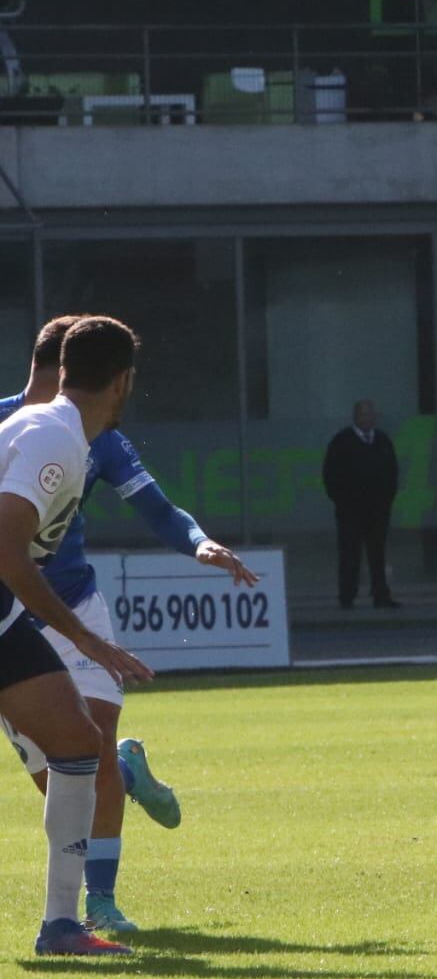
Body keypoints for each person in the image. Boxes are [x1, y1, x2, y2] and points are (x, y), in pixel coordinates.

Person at [0, 315, 258, 933]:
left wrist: (197, 543)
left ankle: (90, 911)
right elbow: (7, 548)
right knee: (64, 765)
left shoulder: (91, 440)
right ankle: (68, 915)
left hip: (56, 603)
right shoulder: (42, 431)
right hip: (21, 603)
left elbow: (158, 508)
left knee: (80, 747)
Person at [0, 315, 155, 956]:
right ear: (123, 382)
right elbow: (8, 550)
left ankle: (62, 927)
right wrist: (86, 640)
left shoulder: (56, 434)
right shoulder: (53, 438)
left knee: (75, 739)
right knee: (74, 741)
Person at [323, 400, 399, 610]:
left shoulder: (382, 441)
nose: (367, 418)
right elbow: (330, 475)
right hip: (350, 511)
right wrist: (343, 501)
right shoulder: (342, 442)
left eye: (370, 414)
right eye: (362, 414)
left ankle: (380, 595)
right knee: (350, 554)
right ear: (355, 417)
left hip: (378, 511)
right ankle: (347, 597)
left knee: (377, 553)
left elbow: (392, 473)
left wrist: (386, 501)